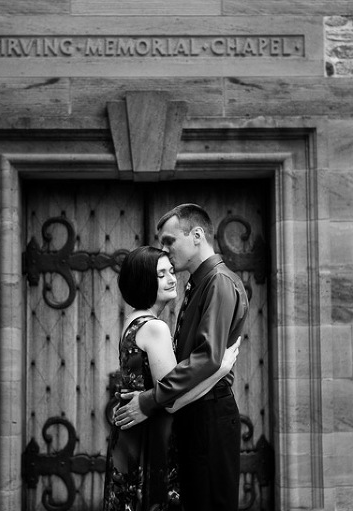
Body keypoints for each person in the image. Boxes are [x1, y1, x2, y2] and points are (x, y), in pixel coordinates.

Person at [114, 204, 249, 511]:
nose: (165, 249)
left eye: (169, 241)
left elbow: (207, 358)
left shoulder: (218, 283)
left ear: (197, 235)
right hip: (193, 412)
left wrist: (149, 400)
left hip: (210, 415)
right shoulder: (197, 283)